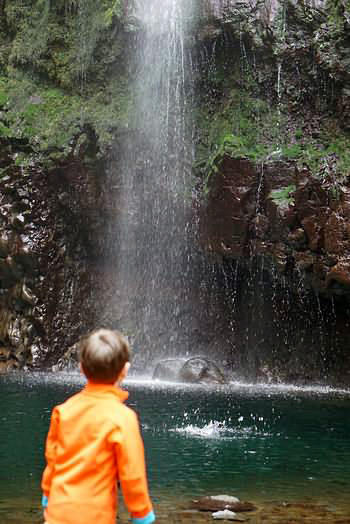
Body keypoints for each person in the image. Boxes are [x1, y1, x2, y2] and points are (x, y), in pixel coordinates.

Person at [41, 328, 155, 524]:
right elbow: (132, 474)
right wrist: (142, 514)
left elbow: (53, 460)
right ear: (124, 371)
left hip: (57, 512)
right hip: (95, 516)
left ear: (81, 369)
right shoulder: (123, 418)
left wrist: (47, 495)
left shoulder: (63, 410)